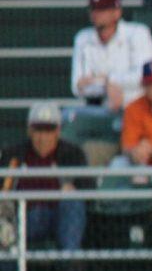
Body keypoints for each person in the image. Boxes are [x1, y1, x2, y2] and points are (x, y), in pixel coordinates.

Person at [0, 104, 89, 254]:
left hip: (58, 217)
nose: (43, 137)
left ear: (58, 131)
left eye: (49, 130)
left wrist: (72, 189)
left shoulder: (73, 154)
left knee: (73, 204)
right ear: (29, 130)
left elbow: (88, 188)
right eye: (38, 130)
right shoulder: (13, 154)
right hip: (22, 217)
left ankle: (69, 264)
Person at [71, 0, 152, 116]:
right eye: (93, 9)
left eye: (102, 9)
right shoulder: (83, 38)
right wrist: (109, 85)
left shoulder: (137, 33)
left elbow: (144, 75)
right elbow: (77, 87)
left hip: (137, 105)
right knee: (69, 116)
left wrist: (106, 79)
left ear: (117, 12)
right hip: (99, 108)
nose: (96, 14)